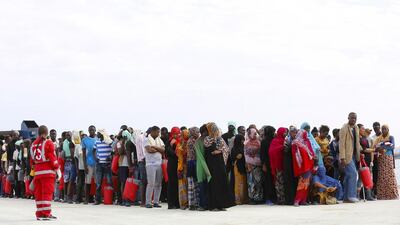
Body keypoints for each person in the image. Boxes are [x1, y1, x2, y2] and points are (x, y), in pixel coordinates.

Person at [30, 125, 61, 220]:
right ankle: (46, 213)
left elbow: (31, 161)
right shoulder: (48, 143)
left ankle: (39, 213)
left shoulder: (33, 144)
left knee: (38, 193)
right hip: (48, 173)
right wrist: (57, 169)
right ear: (46, 133)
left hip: (38, 173)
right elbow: (52, 158)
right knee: (47, 193)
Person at [203, 122, 234, 211]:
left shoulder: (220, 139)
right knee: (213, 183)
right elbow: (207, 151)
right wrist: (213, 151)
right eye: (213, 130)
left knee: (222, 182)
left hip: (220, 164)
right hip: (211, 164)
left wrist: (219, 151)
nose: (215, 131)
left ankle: (221, 205)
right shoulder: (207, 139)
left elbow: (226, 149)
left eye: (216, 130)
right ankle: (213, 205)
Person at [372, 124, 399, 200]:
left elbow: (392, 146)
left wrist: (382, 146)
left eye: (385, 129)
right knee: (382, 176)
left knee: (389, 176)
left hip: (388, 158)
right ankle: (382, 195)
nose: (384, 130)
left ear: (388, 130)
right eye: (382, 129)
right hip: (380, 159)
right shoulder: (379, 138)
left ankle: (392, 195)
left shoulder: (391, 137)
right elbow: (375, 147)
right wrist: (379, 148)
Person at [339, 112, 361, 203]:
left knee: (348, 176)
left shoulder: (356, 128)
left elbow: (357, 142)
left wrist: (359, 153)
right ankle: (351, 196)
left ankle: (346, 198)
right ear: (348, 118)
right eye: (352, 118)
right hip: (347, 155)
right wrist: (342, 158)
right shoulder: (344, 128)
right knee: (353, 174)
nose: (354, 120)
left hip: (354, 155)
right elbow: (341, 144)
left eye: (355, 118)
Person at [291, 130, 315, 206]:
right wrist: (300, 166)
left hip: (308, 166)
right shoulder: (295, 143)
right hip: (302, 166)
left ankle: (303, 200)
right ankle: (297, 200)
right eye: (304, 134)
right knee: (301, 184)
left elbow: (310, 153)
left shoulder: (305, 143)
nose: (306, 136)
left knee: (306, 184)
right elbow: (296, 156)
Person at [144, 126, 165, 208]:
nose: (158, 133)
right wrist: (159, 149)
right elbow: (149, 150)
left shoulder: (159, 140)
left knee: (158, 184)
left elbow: (163, 150)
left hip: (159, 164)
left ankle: (156, 201)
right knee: (151, 183)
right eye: (157, 132)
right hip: (150, 164)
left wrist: (155, 147)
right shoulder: (146, 139)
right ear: (152, 132)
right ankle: (148, 202)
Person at [93, 129, 113, 205]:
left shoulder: (109, 141)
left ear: (102, 134)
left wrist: (110, 157)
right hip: (99, 164)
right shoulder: (97, 141)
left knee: (109, 182)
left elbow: (113, 150)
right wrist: (95, 158)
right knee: (98, 183)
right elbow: (94, 150)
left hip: (107, 164)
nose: (97, 134)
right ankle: (97, 200)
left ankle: (110, 198)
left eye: (98, 133)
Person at [268, 127, 288, 205]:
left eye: (286, 132)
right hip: (277, 165)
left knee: (283, 182)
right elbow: (272, 151)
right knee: (279, 182)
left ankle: (285, 198)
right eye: (284, 132)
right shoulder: (275, 141)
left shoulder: (285, 141)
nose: (285, 134)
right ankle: (280, 199)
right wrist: (282, 147)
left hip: (284, 165)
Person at [245, 127, 264, 204]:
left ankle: (259, 198)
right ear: (249, 134)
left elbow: (260, 154)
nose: (255, 135)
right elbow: (245, 155)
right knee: (251, 182)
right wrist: (248, 165)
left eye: (256, 133)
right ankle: (252, 198)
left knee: (258, 182)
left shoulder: (259, 142)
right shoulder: (246, 143)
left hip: (258, 165)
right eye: (254, 133)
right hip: (250, 165)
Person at [195, 124, 211, 211]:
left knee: (207, 187)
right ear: (204, 132)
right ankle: (203, 205)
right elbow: (200, 157)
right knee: (202, 186)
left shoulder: (208, 140)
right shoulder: (198, 141)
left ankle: (207, 204)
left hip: (206, 165)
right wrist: (206, 168)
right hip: (201, 166)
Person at [358, 124, 375, 201]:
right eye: (362, 129)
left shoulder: (364, 138)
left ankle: (368, 195)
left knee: (367, 176)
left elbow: (369, 149)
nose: (364, 130)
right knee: (361, 177)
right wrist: (374, 150)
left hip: (367, 159)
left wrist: (371, 160)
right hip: (361, 159)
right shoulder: (358, 138)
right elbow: (364, 149)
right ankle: (359, 195)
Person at [259, 126, 276, 205]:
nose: (273, 133)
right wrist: (263, 165)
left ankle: (274, 198)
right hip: (267, 163)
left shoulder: (274, 140)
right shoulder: (264, 141)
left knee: (273, 181)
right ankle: (268, 198)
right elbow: (262, 154)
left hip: (273, 163)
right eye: (272, 132)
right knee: (267, 181)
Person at [81, 125, 97, 204]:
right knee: (88, 181)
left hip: (97, 163)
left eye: (93, 130)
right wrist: (85, 165)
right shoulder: (84, 140)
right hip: (89, 163)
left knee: (97, 182)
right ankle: (86, 199)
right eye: (90, 130)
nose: (91, 131)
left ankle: (96, 198)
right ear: (88, 131)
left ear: (95, 130)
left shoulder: (98, 139)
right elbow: (83, 154)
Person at [231, 134, 248, 205]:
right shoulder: (234, 148)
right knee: (238, 183)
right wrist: (236, 157)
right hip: (237, 167)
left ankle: (244, 199)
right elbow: (232, 158)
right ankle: (238, 199)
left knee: (244, 182)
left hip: (244, 167)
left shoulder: (244, 147)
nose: (243, 141)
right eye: (241, 140)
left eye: (243, 140)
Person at [283, 126, 298, 205]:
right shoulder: (287, 140)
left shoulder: (297, 140)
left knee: (294, 180)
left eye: (295, 132)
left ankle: (294, 199)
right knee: (288, 180)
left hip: (295, 163)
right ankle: (288, 200)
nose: (294, 134)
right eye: (293, 132)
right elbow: (285, 150)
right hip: (288, 162)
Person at [166, 127, 180, 209]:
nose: (176, 135)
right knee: (172, 183)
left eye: (178, 133)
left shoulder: (180, 141)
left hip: (178, 165)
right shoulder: (169, 142)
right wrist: (171, 145)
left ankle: (177, 203)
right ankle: (171, 204)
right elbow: (169, 153)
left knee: (178, 184)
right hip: (171, 165)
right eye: (174, 133)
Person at [187, 127, 200, 210]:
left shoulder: (192, 140)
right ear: (193, 133)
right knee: (193, 184)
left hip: (192, 163)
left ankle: (193, 203)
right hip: (192, 163)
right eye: (196, 132)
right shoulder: (192, 141)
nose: (198, 133)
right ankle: (193, 204)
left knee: (194, 184)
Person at [176, 129, 189, 210]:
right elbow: (179, 154)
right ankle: (183, 203)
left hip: (186, 166)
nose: (180, 136)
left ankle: (188, 202)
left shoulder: (189, 143)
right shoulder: (180, 144)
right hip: (181, 167)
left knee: (188, 185)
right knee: (182, 186)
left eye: (182, 135)